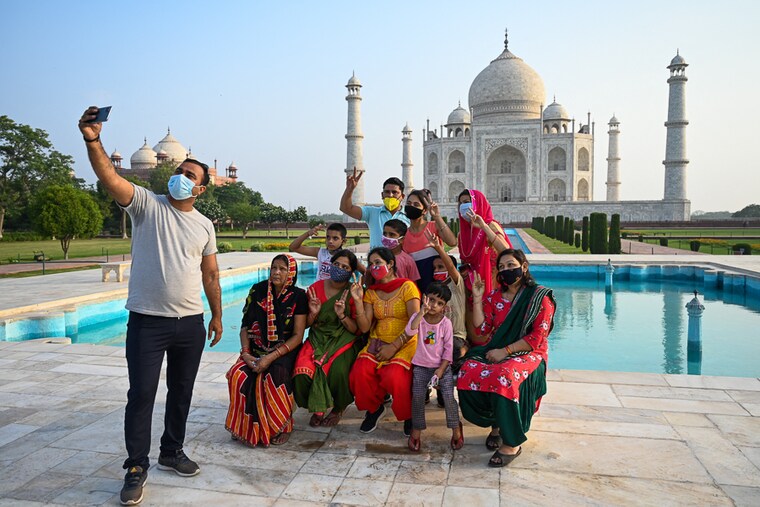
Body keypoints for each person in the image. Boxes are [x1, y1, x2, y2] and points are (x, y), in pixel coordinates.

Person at [79, 107, 223, 506]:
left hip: (189, 323)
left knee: (181, 392)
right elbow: (109, 177)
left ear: (201, 189)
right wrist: (94, 139)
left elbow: (210, 274)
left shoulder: (205, 225)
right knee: (141, 394)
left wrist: (217, 315)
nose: (180, 178)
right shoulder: (147, 204)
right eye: (180, 171)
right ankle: (136, 466)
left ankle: (171, 451)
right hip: (147, 321)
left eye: (190, 175)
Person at [457, 249, 555, 468]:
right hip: (496, 348)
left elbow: (537, 338)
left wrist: (505, 352)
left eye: (511, 265)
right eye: (502, 267)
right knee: (468, 369)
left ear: (524, 266)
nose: (507, 271)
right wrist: (479, 298)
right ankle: (495, 424)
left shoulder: (540, 297)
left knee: (504, 375)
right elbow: (481, 328)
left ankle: (512, 443)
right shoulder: (495, 297)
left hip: (530, 353)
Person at [225, 254, 307, 447]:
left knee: (275, 375)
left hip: (284, 350)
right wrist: (245, 354)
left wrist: (270, 358)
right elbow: (245, 326)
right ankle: (243, 425)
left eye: (282, 269)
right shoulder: (257, 290)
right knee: (238, 375)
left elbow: (298, 335)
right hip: (254, 349)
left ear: (291, 273)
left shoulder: (299, 296)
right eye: (274, 267)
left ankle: (281, 426)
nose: (276, 272)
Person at [348, 247, 420, 435]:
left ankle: (408, 415)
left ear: (390, 264)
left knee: (395, 375)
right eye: (371, 264)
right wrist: (357, 300)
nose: (373, 267)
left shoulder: (407, 287)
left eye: (378, 262)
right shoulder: (371, 292)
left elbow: (416, 322)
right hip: (378, 340)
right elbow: (364, 327)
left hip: (406, 340)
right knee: (360, 372)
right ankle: (375, 409)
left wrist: (395, 346)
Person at [293, 249, 361, 427]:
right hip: (317, 337)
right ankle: (317, 406)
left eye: (344, 267)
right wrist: (313, 314)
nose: (339, 268)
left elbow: (357, 329)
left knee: (337, 370)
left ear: (351, 272)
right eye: (336, 264)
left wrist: (341, 315)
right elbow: (305, 325)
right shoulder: (315, 288)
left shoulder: (353, 292)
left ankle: (338, 407)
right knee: (302, 372)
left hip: (343, 338)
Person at [406, 283, 464, 452]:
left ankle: (456, 428)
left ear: (444, 307)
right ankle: (416, 431)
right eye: (431, 300)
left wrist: (440, 370)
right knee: (417, 397)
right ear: (424, 298)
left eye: (439, 303)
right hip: (421, 366)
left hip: (441, 367)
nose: (433, 305)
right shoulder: (418, 318)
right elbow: (410, 332)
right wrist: (421, 312)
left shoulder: (445, 323)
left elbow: (448, 349)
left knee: (447, 396)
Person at [424, 229, 468, 406]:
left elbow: (450, 267)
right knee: (427, 350)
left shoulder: (457, 286)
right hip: (435, 334)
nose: (437, 270)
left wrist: (439, 248)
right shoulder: (432, 290)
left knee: (453, 351)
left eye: (441, 267)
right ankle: (428, 388)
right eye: (435, 268)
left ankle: (442, 390)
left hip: (456, 336)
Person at [402, 189, 457, 293]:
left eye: (416, 204)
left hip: (437, 288)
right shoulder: (404, 235)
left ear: (424, 210)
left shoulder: (433, 227)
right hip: (416, 288)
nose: (411, 206)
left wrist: (437, 217)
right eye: (409, 203)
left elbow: (452, 242)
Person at [457, 189, 511, 295]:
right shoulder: (463, 233)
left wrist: (483, 227)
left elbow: (506, 250)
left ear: (478, 203)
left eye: (467, 202)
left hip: (493, 284)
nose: (463, 206)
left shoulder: (491, 226)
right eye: (461, 203)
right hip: (472, 286)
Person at [340, 167, 410, 248]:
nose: (390, 195)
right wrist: (349, 190)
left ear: (402, 196)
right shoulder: (373, 213)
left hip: (401, 259)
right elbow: (345, 208)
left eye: (395, 192)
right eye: (387, 192)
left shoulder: (409, 217)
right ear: (382, 195)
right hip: (377, 259)